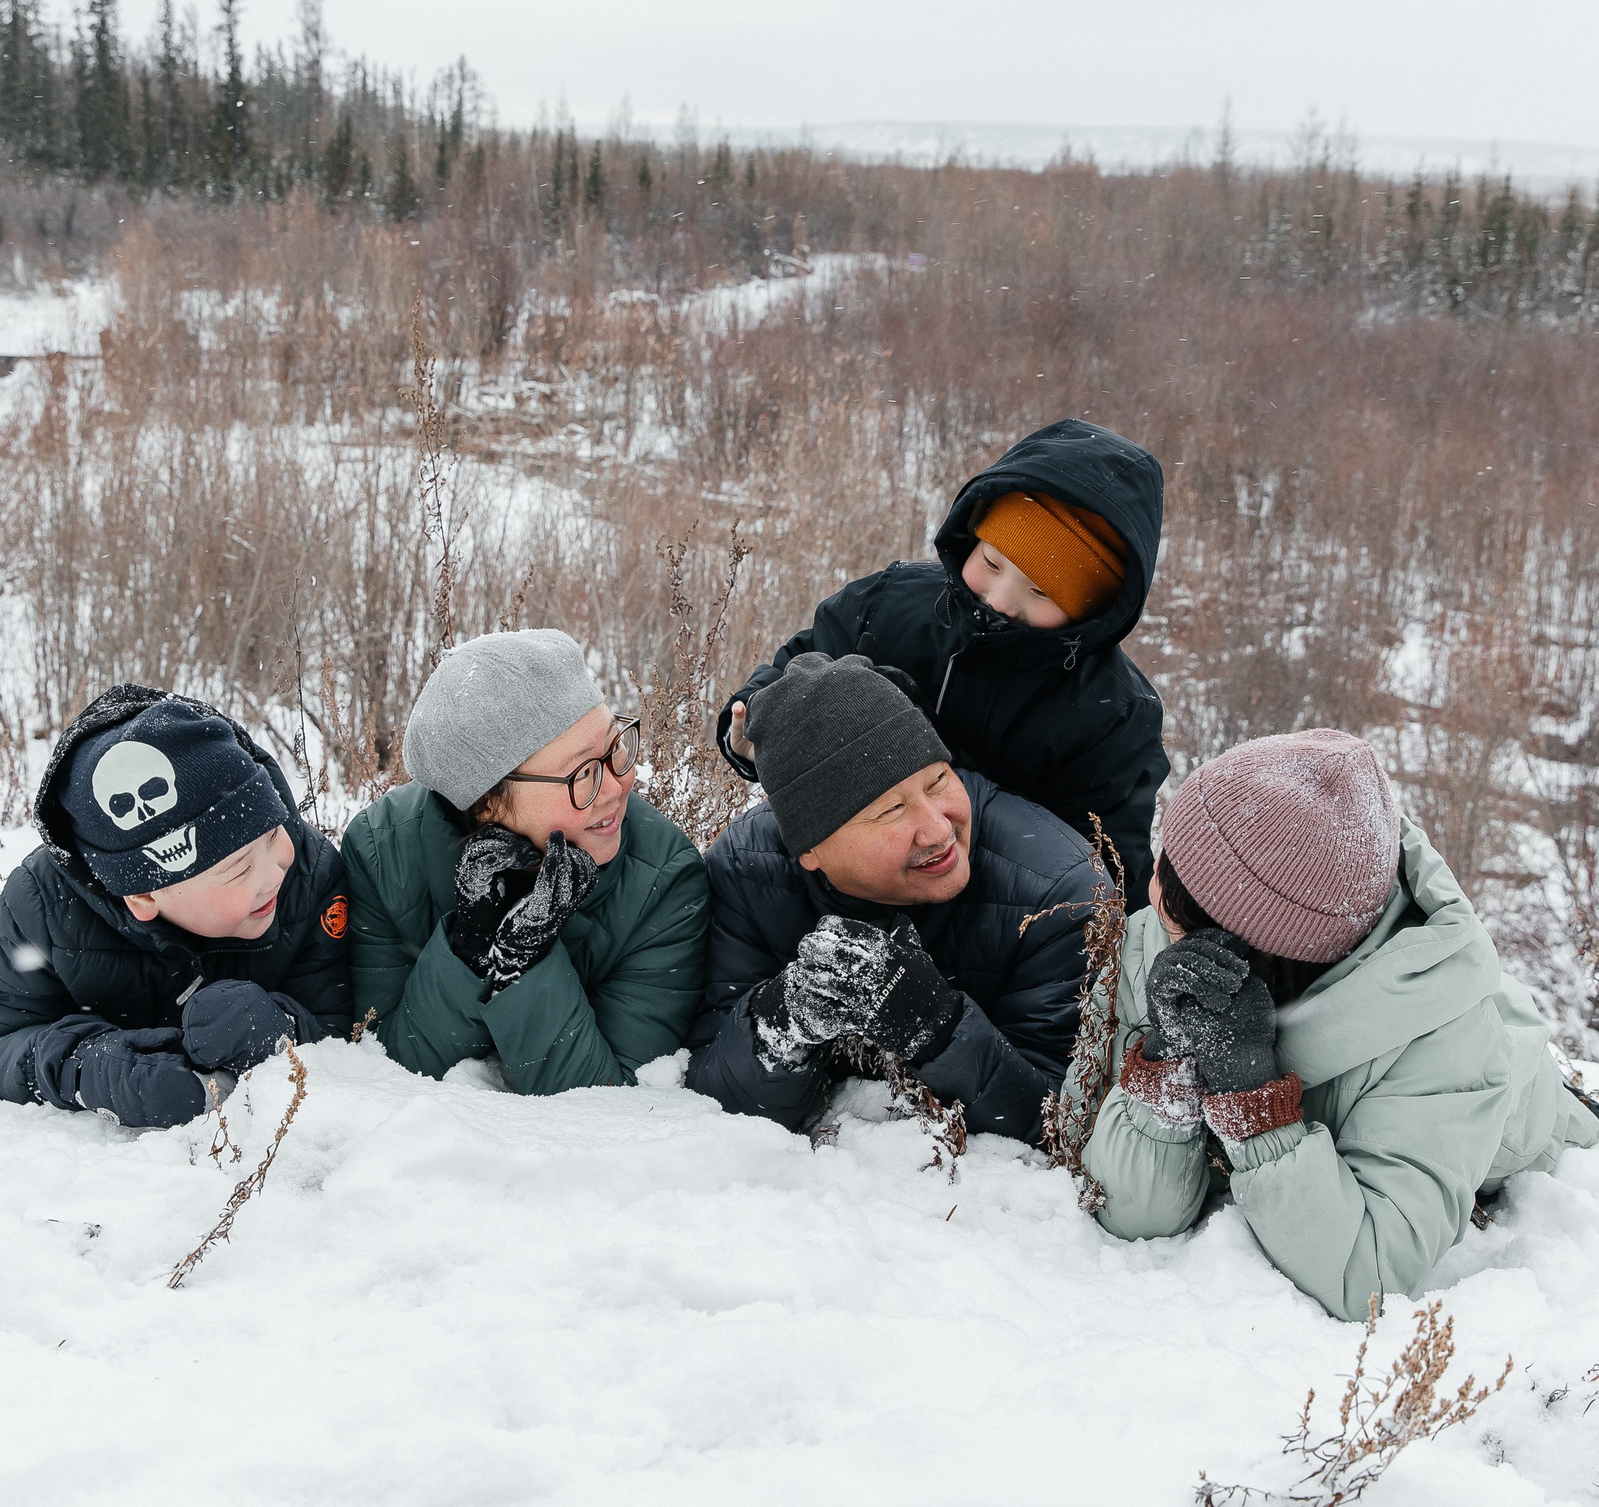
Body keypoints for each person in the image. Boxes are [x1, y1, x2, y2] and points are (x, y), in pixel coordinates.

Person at [1065, 729, 1599, 1320]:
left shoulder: (1448, 1039)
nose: (1151, 900)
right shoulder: (1167, 938)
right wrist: (1169, 1062)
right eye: (1165, 867)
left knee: (1528, 1089)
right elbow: (1125, 1211)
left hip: (1515, 1106)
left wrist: (1254, 1106)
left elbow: (1369, 1277)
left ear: (1250, 951)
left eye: (1174, 907)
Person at [719, 417, 1169, 909]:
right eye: (992, 563)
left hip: (996, 920)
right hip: (846, 878)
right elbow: (803, 669)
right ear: (972, 535)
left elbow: (1105, 865)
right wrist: (756, 726)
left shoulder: (1114, 714)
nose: (999, 599)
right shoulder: (892, 605)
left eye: (1040, 591)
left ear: (1092, 610)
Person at [689, 651, 1107, 1143]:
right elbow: (707, 1098)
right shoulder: (747, 870)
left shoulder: (1057, 892)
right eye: (890, 811)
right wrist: (780, 1023)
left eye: (938, 780)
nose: (938, 830)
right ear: (810, 849)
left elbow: (1059, 1126)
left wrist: (937, 1028)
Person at [0, 685, 352, 1129]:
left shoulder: (310, 874)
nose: (275, 870)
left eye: (271, 833)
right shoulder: (41, 908)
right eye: (239, 870)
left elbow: (337, 1021)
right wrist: (93, 1070)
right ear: (145, 896)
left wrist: (276, 1026)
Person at [342, 629, 708, 1093]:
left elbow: (616, 1110)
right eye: (584, 773)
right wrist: (468, 951)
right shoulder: (382, 855)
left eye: (615, 749)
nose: (617, 787)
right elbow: (380, 1076)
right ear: (488, 800)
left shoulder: (665, 884)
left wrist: (523, 962)